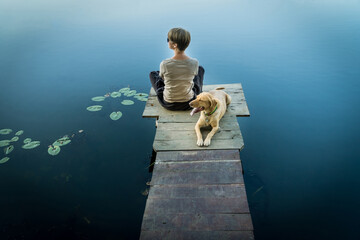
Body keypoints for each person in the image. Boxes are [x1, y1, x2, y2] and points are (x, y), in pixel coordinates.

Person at [149, 27, 204, 111]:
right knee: (200, 69)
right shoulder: (194, 63)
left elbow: (163, 79)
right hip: (189, 103)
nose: (167, 41)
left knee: (153, 74)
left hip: (169, 104)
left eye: (168, 40)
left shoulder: (165, 64)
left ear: (175, 45)